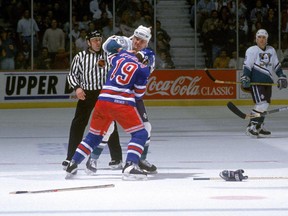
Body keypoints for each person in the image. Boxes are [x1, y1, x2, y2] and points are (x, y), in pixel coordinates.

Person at [65, 47, 155, 180]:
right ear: (147, 61)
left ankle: (73, 163)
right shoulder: (143, 69)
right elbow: (138, 94)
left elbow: (110, 52)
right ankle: (130, 166)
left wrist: (123, 49)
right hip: (121, 103)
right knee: (141, 133)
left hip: (102, 100)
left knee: (94, 136)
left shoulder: (122, 55)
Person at [88, 25, 157, 174]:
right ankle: (92, 158)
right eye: (137, 39)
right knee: (108, 128)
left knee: (146, 127)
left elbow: (145, 72)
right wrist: (126, 52)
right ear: (133, 36)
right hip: (114, 92)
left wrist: (136, 57)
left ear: (147, 43)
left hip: (130, 95)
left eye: (142, 41)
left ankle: (139, 160)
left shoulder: (149, 54)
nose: (138, 43)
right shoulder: (124, 42)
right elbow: (107, 45)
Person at [62, 30, 122, 175]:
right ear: (88, 42)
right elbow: (72, 75)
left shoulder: (108, 55)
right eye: (94, 40)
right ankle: (71, 157)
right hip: (86, 95)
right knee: (78, 124)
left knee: (110, 125)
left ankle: (117, 158)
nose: (97, 42)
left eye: (99, 39)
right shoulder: (80, 57)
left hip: (104, 95)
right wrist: (77, 88)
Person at [240, 29, 287, 137]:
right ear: (256, 39)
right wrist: (246, 76)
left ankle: (258, 126)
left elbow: (276, 65)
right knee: (262, 104)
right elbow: (247, 65)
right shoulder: (251, 50)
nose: (261, 39)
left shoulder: (271, 50)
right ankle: (251, 126)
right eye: (259, 37)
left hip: (268, 83)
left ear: (267, 39)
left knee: (264, 106)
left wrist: (281, 76)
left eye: (264, 37)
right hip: (256, 82)